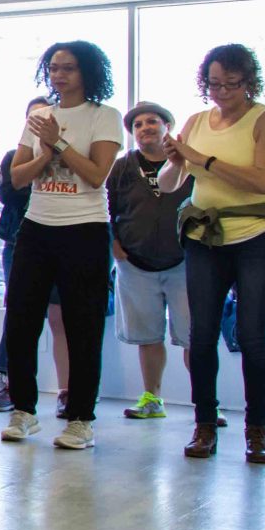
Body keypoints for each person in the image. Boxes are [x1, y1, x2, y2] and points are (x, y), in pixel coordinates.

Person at [164, 44, 265, 465]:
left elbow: (262, 181)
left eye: (232, 83)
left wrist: (201, 159)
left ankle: (256, 430)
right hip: (206, 238)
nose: (222, 91)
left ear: (249, 82)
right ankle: (205, 424)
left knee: (250, 335)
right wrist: (176, 161)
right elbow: (170, 184)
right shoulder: (195, 121)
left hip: (255, 235)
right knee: (201, 336)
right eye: (214, 84)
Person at [2, 40, 123, 451]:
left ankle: (81, 419)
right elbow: (17, 179)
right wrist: (46, 151)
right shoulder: (39, 117)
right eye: (54, 67)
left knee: (83, 326)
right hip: (37, 226)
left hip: (85, 229)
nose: (59, 75)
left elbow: (97, 175)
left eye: (68, 68)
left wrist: (60, 144)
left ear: (87, 72)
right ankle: (24, 411)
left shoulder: (105, 117)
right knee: (20, 321)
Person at [107, 101, 192, 420]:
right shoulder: (123, 166)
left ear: (167, 126)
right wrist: (114, 242)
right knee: (148, 336)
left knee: (193, 337)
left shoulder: (187, 162)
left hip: (183, 263)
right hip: (135, 264)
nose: (145, 128)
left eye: (152, 121)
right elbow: (107, 206)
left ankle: (204, 405)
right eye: (138, 124)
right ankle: (152, 399)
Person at [0, 96, 63, 410]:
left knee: (60, 316)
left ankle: (68, 392)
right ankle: (6, 382)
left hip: (59, 240)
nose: (40, 121)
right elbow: (9, 192)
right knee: (18, 310)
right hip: (18, 242)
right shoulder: (11, 156)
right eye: (34, 116)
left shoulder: (67, 154)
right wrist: (40, 161)